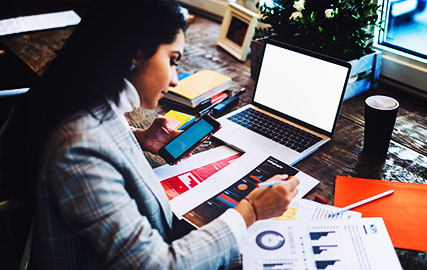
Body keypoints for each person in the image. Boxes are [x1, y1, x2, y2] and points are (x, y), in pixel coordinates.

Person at [0, 0, 300, 269]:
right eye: (172, 60)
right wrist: (250, 211)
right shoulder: (77, 151)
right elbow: (155, 265)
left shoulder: (91, 100)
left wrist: (139, 138)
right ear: (138, 52)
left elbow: (93, 136)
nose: (173, 79)